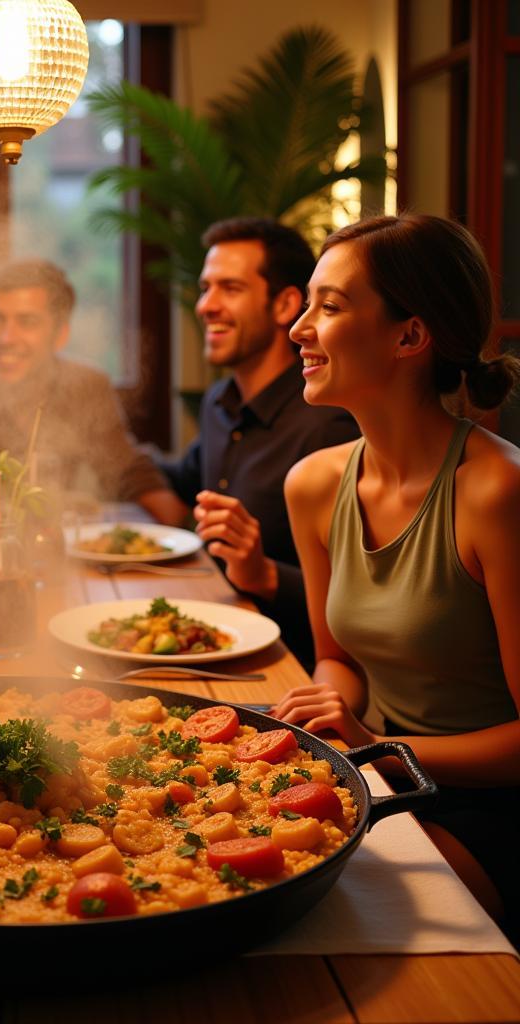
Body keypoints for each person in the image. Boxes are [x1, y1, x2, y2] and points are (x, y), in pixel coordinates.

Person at [270, 213, 520, 940]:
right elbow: (338, 658)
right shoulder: (313, 485)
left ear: (410, 337)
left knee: (341, 933)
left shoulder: (495, 493)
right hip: (383, 773)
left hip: (492, 809)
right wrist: (324, 709)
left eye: (331, 306)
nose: (299, 329)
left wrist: (369, 746)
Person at [161, 218, 359, 668]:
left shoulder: (329, 426)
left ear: (286, 304)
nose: (206, 305)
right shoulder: (219, 402)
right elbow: (179, 482)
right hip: (212, 637)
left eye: (229, 288)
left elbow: (361, 598)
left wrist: (264, 574)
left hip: (289, 667)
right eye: (205, 288)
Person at [0, 258, 182, 524]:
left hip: (57, 551)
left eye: (27, 322)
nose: (6, 338)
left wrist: (178, 531)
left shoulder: (86, 386)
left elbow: (128, 471)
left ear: (61, 335)